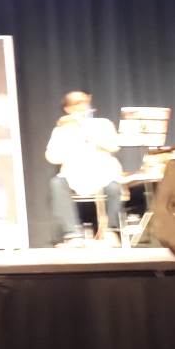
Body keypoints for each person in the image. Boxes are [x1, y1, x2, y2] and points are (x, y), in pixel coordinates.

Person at [46, 90, 123, 247]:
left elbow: (114, 146)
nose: (82, 106)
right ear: (68, 109)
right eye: (77, 103)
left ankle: (110, 232)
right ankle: (72, 234)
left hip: (103, 172)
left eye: (85, 102)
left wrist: (88, 132)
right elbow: (52, 157)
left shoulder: (103, 124)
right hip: (74, 174)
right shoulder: (61, 130)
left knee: (114, 187)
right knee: (56, 184)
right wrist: (70, 135)